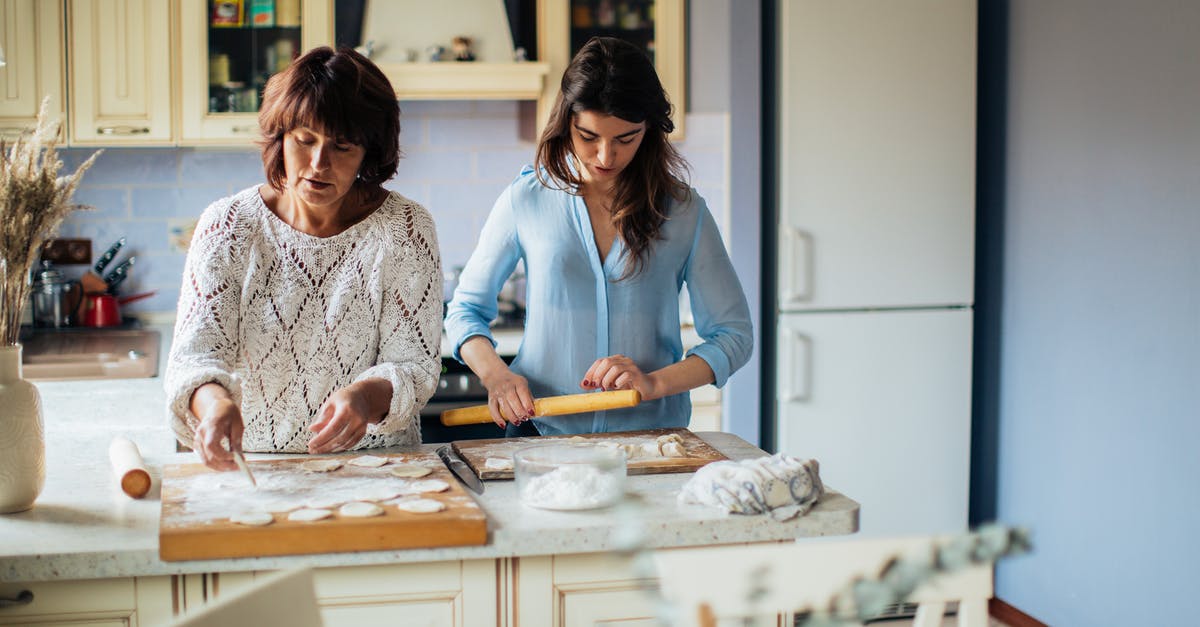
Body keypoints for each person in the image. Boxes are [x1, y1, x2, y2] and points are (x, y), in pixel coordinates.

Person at [444, 37, 752, 436]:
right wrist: (496, 376)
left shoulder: (684, 210)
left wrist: (654, 383)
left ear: (650, 130)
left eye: (626, 138)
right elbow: (464, 311)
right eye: (589, 137)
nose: (606, 156)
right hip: (540, 438)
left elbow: (734, 336)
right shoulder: (526, 199)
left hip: (651, 443)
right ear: (565, 122)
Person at [165, 47, 442, 471]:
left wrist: (365, 397)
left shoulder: (405, 228)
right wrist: (215, 404)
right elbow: (194, 357)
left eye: (342, 146)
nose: (318, 164)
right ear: (281, 137)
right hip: (256, 469)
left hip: (377, 469)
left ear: (369, 151)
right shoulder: (229, 226)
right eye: (304, 140)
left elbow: (415, 366)